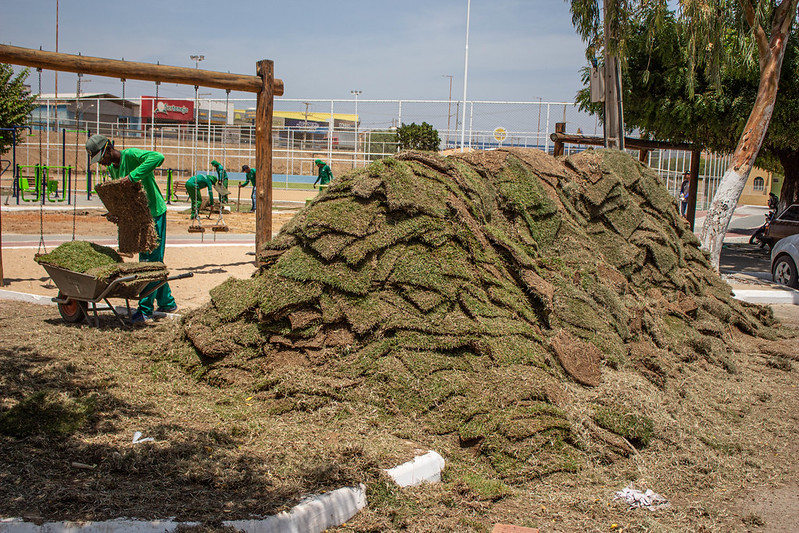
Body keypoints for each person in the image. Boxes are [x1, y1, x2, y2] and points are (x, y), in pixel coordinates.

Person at [85, 134, 177, 324]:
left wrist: (133, 176)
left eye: (101, 158)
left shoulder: (132, 155)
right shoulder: (112, 169)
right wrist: (115, 213)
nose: (101, 163)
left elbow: (157, 157)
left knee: (149, 262)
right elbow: (124, 196)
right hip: (139, 217)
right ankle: (167, 301)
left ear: (108, 149)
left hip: (154, 213)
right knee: (152, 259)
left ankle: (145, 311)